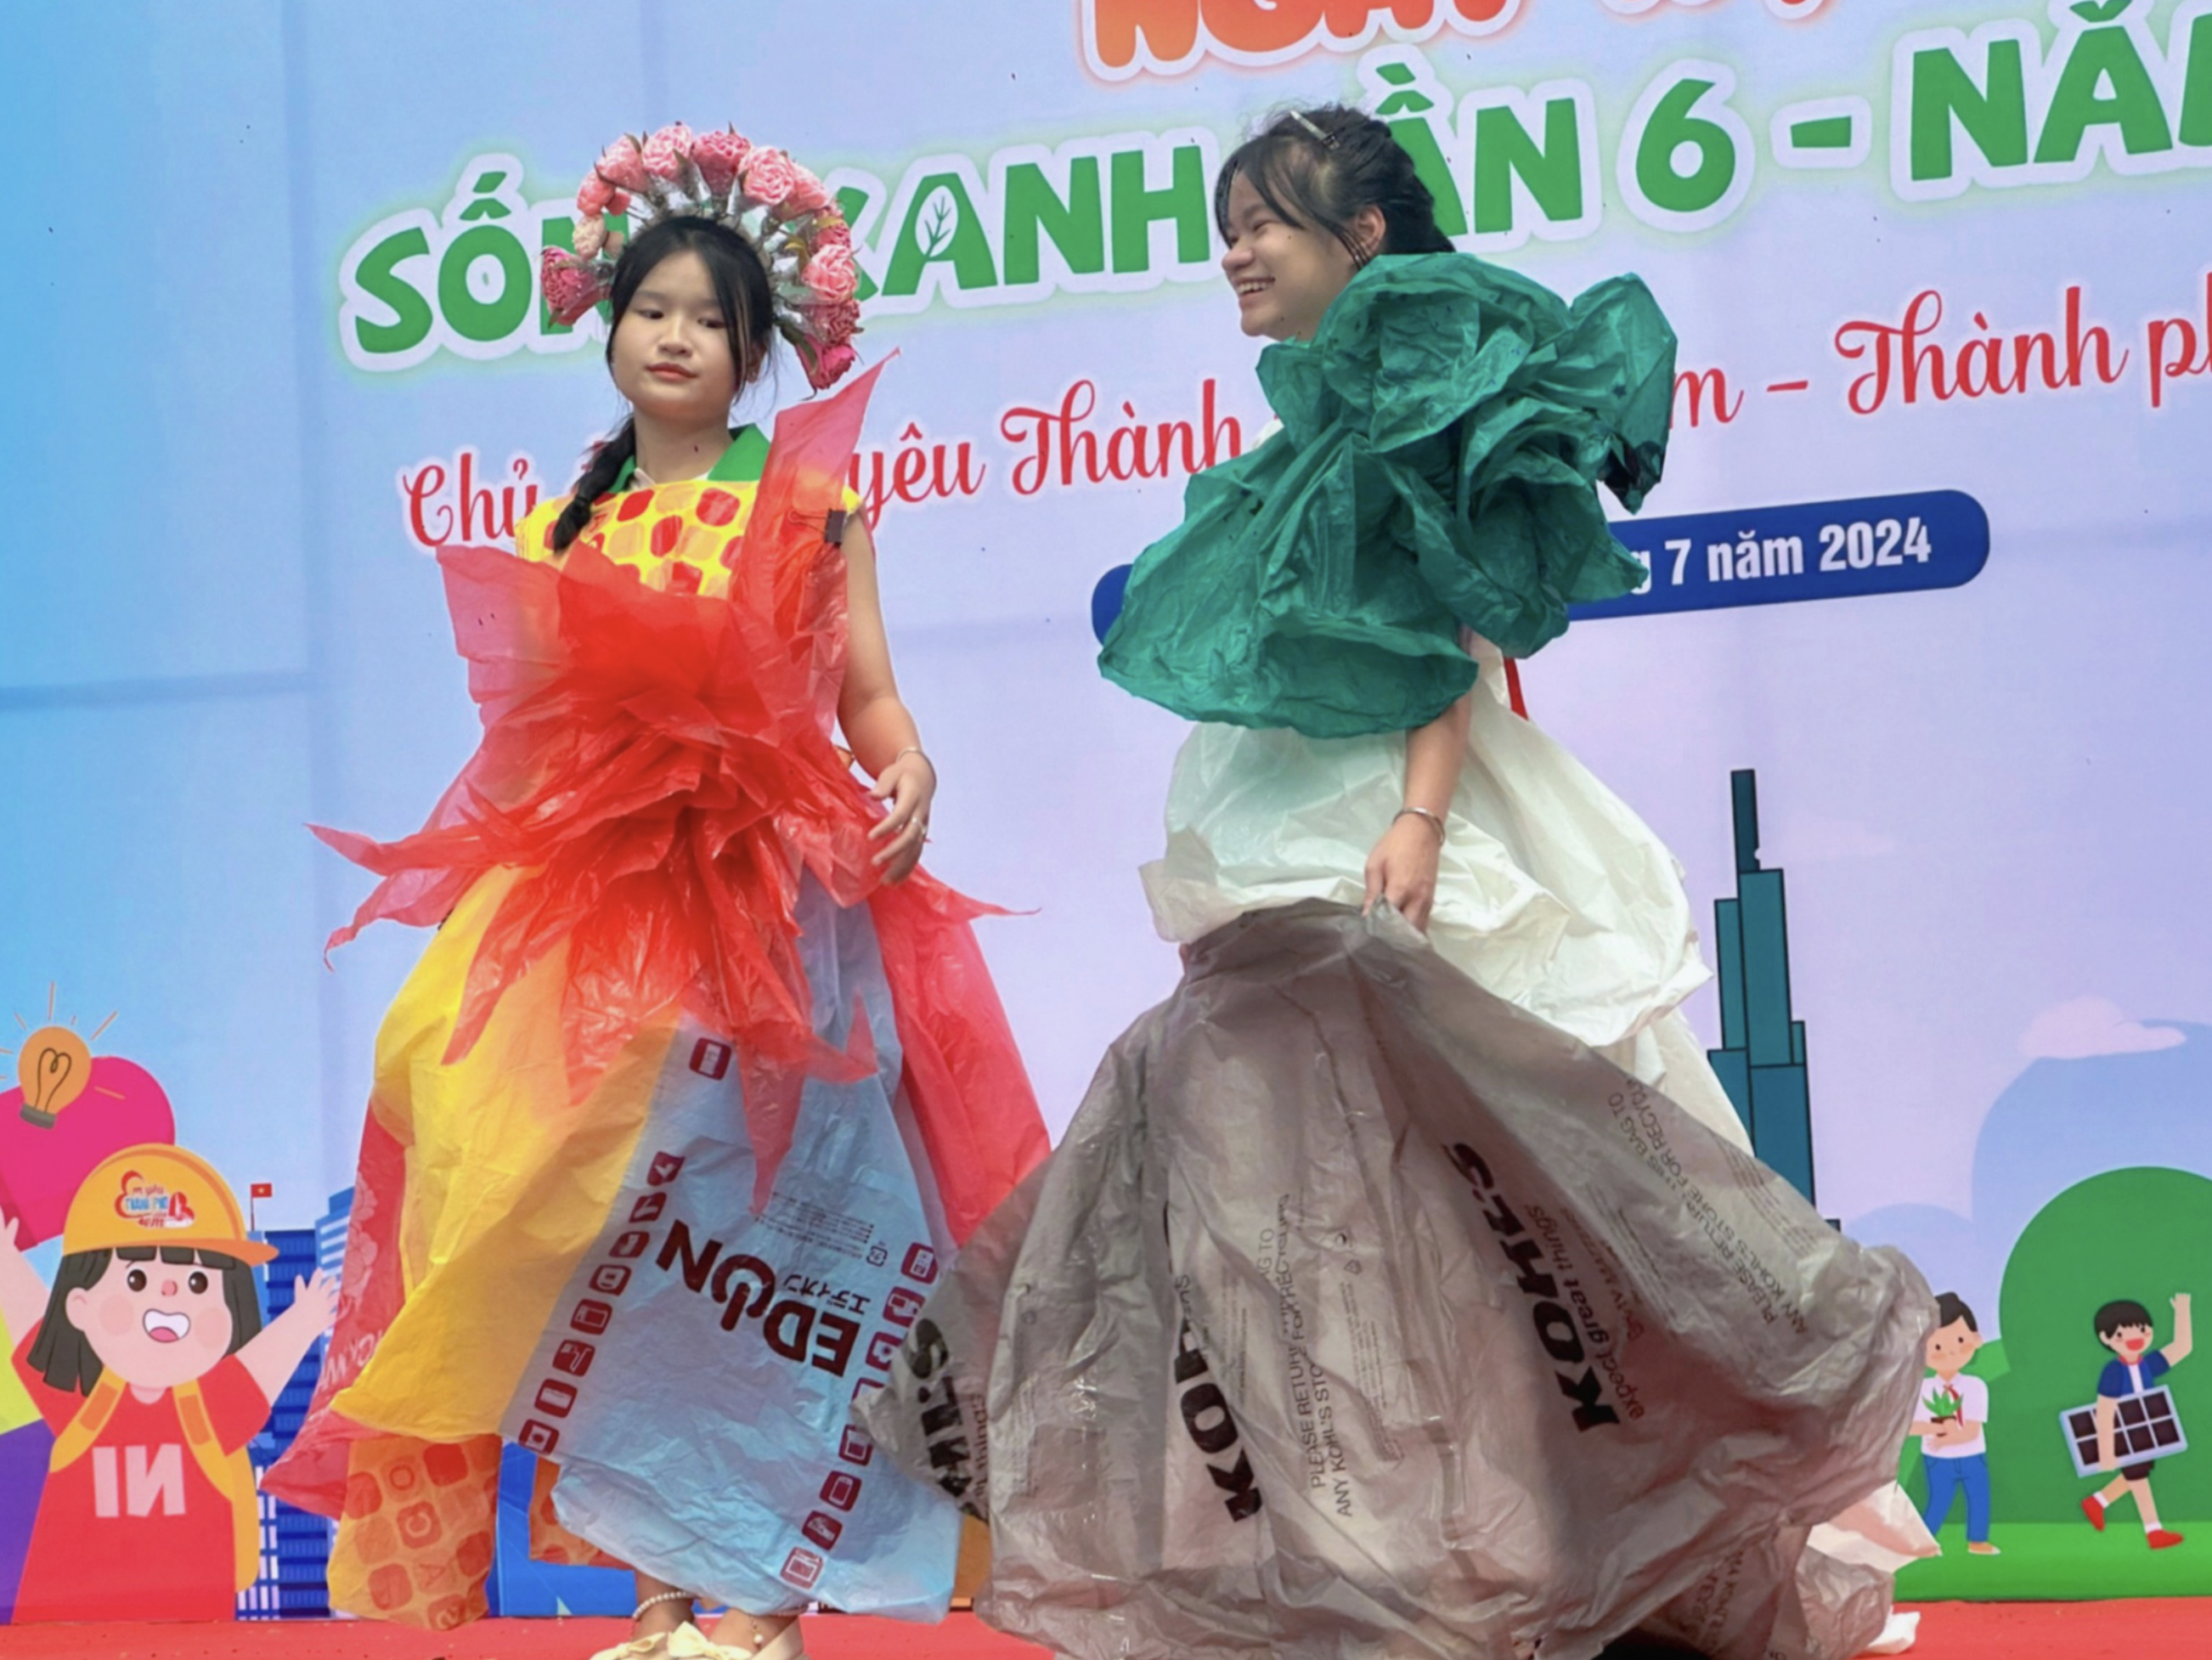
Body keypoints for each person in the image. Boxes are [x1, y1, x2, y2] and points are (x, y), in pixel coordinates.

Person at [864, 106, 1932, 1660]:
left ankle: (1585, 1542)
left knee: (1508, 1188)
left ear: (1360, 239)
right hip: (1293, 837)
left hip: (1388, 826)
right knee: (1339, 1212)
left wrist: (1422, 818)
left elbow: (1462, 613)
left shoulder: (1423, 378)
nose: (1232, 250)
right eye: (1224, 223)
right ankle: (1425, 1549)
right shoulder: (1309, 432)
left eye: (1264, 222)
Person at [263, 124, 1048, 1659]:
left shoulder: (812, 506)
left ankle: (763, 1595)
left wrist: (908, 769)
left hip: (774, 910)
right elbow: (532, 744)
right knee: (598, 1234)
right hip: (600, 921)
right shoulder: (571, 523)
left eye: (707, 317)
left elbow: (866, 697)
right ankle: (663, 1593)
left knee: (763, 1239)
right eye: (651, 310)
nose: (675, 336)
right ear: (607, 328)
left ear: (758, 352)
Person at [0, 1144, 336, 1623]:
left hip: (192, 1630)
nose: (169, 1292)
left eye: (199, 1284)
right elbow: (34, 1330)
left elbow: (257, 1370)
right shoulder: (82, 1402)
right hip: (64, 1630)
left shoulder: (209, 1408)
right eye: (135, 1277)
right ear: (77, 1306)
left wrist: (302, 1322)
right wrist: (7, 1262)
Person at [2082, 1293, 2192, 1550]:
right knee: (2138, 1477)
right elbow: (2105, 1410)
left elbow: (2182, 1348)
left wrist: (2182, 1311)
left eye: (2142, 1329)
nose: (2134, 1338)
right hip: (2124, 1429)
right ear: (2106, 1339)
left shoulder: (2149, 1364)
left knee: (2136, 1475)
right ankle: (2153, 1531)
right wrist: (2106, 1452)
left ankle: (2097, 1502)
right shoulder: (2113, 1371)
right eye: (2121, 1334)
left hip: (2147, 1427)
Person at [1909, 1292, 1997, 1555]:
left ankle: (1977, 1541)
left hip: (1973, 1455)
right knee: (1938, 1500)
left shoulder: (1975, 1387)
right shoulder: (1922, 1389)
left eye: (1959, 1341)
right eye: (1936, 1346)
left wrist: (1948, 1436)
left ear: (1976, 1340)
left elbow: (1971, 1428)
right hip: (1937, 1458)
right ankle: (1926, 1543)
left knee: (1979, 1497)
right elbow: (1910, 1427)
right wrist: (1938, 1430)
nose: (1948, 1352)